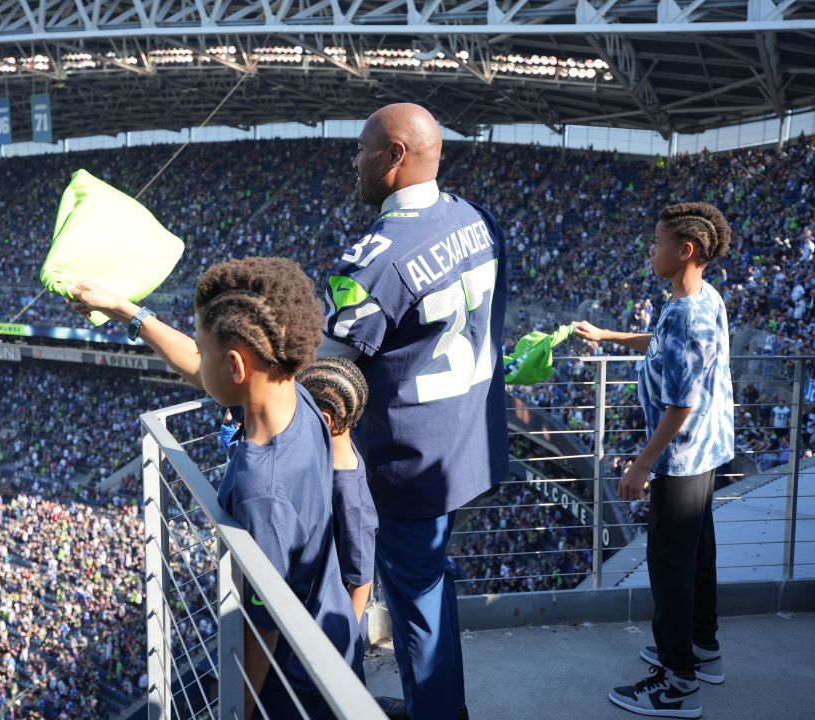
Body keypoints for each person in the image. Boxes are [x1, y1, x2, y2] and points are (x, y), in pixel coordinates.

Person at [67, 257, 361, 720]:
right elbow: (207, 369)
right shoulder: (294, 398)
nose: (199, 360)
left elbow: (262, 628)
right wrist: (129, 313)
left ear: (236, 366)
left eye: (204, 350)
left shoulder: (260, 488)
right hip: (333, 641)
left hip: (296, 690)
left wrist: (236, 710)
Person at [318, 102, 508, 720]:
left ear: (394, 156)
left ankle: (437, 709)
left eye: (362, 149)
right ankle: (436, 700)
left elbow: (325, 372)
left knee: (417, 598)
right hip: (467, 444)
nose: (354, 161)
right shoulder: (478, 219)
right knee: (427, 580)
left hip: (408, 459)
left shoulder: (374, 260)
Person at [573, 201, 735, 718]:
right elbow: (663, 346)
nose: (650, 248)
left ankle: (677, 681)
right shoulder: (701, 297)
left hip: (681, 460)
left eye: (657, 241)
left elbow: (681, 402)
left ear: (684, 250)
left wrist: (643, 463)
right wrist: (610, 336)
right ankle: (701, 647)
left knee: (668, 565)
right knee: (697, 555)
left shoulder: (688, 314)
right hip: (708, 451)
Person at [296, 357, 378, 626]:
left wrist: (348, 640)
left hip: (332, 628)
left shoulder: (350, 497)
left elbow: (361, 578)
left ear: (325, 420)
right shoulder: (338, 453)